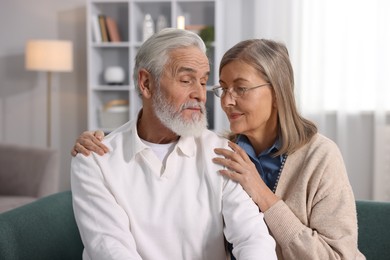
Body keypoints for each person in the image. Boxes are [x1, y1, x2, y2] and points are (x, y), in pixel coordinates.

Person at [73, 38, 366, 259]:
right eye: (222, 88)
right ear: (146, 84)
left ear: (277, 93)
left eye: (241, 88)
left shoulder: (319, 156)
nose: (223, 101)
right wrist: (98, 145)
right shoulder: (226, 149)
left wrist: (262, 194)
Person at [70, 28, 277, 260]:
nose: (200, 94)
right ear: (146, 83)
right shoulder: (95, 160)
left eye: (203, 81)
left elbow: (253, 238)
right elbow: (110, 249)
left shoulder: (222, 154)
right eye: (187, 80)